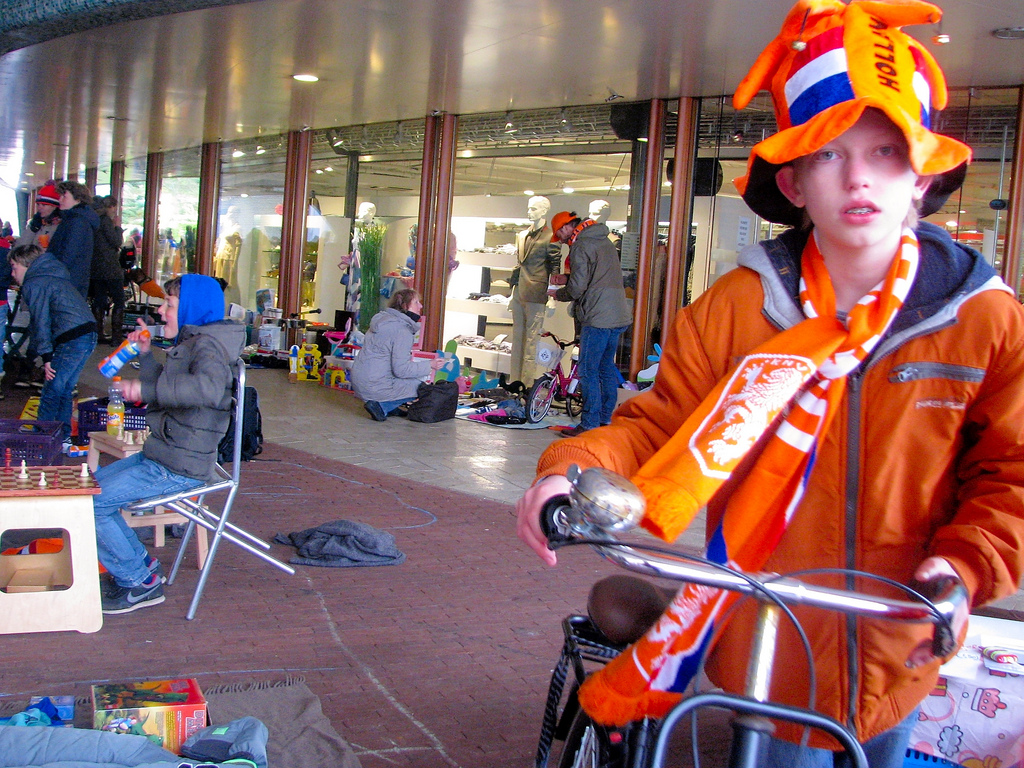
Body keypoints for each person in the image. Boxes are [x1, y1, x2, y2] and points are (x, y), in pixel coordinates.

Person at [517, 0, 1024, 765]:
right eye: (828, 152)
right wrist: (569, 475)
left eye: (886, 152)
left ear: (923, 176)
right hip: (765, 647)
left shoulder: (983, 319)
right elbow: (656, 425)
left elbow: (1012, 475)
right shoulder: (738, 306)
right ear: (792, 183)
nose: (858, 176)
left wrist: (966, 563)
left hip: (900, 646)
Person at [93, 273, 244, 614]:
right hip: (166, 454)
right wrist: (146, 356)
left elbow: (204, 390)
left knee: (90, 504)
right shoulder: (196, 341)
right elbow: (166, 387)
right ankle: (143, 570)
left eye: (170, 304)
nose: (161, 311)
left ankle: (139, 583)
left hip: (178, 465)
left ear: (190, 307)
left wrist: (143, 390)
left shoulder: (208, 347)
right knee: (90, 493)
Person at [548, 210, 630, 437]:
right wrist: (569, 279)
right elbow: (598, 276)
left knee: (588, 370)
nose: (563, 241)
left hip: (598, 316)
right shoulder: (604, 241)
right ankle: (604, 419)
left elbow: (578, 288)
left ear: (566, 228)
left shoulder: (581, 246)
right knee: (605, 368)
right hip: (618, 314)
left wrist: (558, 293)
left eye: (561, 236)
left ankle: (590, 423)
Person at [8, 244, 97, 444]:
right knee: (64, 388)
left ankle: (43, 437)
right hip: (87, 332)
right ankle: (62, 435)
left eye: (14, 267)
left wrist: (46, 356)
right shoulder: (55, 274)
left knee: (51, 389)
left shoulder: (35, 283)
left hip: (72, 337)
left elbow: (41, 322)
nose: (13, 274)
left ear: (26, 264)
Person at [350, 288, 445, 421]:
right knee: (420, 387)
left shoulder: (382, 321)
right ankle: (382, 406)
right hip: (375, 386)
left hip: (358, 381)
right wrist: (430, 365)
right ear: (405, 306)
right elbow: (401, 370)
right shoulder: (402, 331)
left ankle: (389, 405)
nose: (420, 306)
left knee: (406, 381)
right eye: (416, 302)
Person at [510, 196, 561, 385]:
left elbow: (555, 267)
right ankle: (514, 381)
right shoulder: (522, 235)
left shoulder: (551, 236)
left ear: (544, 211)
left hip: (537, 293)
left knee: (532, 342)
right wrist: (512, 290)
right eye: (529, 208)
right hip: (519, 292)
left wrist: (552, 296)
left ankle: (526, 384)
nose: (529, 212)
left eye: (533, 209)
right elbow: (518, 265)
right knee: (517, 341)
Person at [48, 180, 99, 297]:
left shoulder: (77, 221)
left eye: (64, 196)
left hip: (68, 281)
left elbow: (69, 254)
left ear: (78, 199)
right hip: (72, 280)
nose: (60, 200)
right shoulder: (76, 219)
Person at [91, 195, 126, 345]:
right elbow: (116, 242)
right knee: (119, 300)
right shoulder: (105, 221)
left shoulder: (92, 220)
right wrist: (118, 227)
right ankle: (116, 336)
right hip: (110, 267)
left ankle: (98, 333)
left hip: (96, 268)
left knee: (99, 300)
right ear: (110, 207)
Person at [15, 182, 62, 250]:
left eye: (44, 205)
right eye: (38, 204)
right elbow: (19, 248)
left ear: (54, 206)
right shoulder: (36, 223)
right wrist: (32, 229)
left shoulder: (60, 225)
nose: (39, 208)